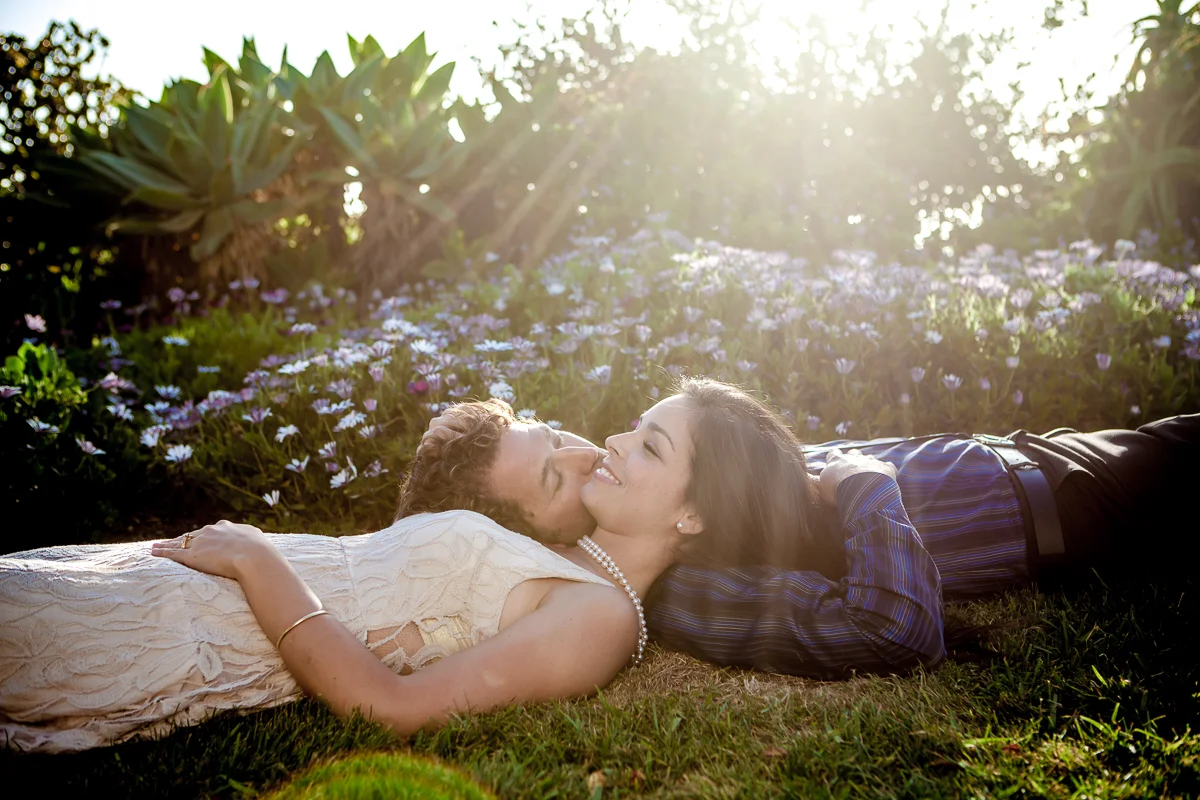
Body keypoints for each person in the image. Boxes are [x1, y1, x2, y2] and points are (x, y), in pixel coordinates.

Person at [0, 378, 812, 755]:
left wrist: (257, 559)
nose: (614, 442)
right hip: (170, 577)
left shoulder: (599, 615)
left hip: (196, 623)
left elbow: (391, 709)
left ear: (693, 515)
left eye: (651, 447)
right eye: (635, 424)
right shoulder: (560, 544)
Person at [402, 395, 1200, 679]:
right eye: (553, 478)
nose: (592, 449)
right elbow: (893, 628)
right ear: (536, 540)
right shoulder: (674, 583)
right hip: (1073, 500)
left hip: (1043, 454)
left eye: (554, 434)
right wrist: (869, 487)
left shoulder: (654, 509)